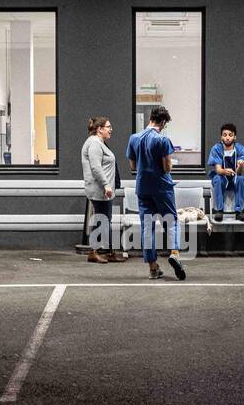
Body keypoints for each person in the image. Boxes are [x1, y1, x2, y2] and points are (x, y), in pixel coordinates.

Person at [132, 106, 187, 280]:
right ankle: (174, 253)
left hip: (143, 188)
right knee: (171, 222)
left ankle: (153, 268)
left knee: (147, 227)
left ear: (150, 118)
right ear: (163, 122)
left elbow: (133, 166)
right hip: (162, 187)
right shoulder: (162, 140)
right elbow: (166, 167)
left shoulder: (134, 138)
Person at [80, 116, 128, 263]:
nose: (111, 129)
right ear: (99, 129)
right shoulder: (94, 143)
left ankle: (108, 252)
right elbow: (95, 167)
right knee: (102, 220)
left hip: (104, 189)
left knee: (105, 220)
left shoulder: (100, 143)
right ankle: (93, 252)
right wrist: (106, 185)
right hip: (100, 189)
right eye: (108, 127)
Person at [206, 123, 244, 222]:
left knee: (241, 179)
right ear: (221, 137)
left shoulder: (240, 149)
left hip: (234, 177)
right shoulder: (216, 149)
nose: (227, 137)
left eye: (230, 135)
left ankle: (239, 211)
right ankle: (219, 210)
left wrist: (241, 166)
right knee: (217, 178)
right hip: (222, 178)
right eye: (224, 135)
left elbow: (239, 172)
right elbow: (218, 170)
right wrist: (225, 171)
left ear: (234, 137)